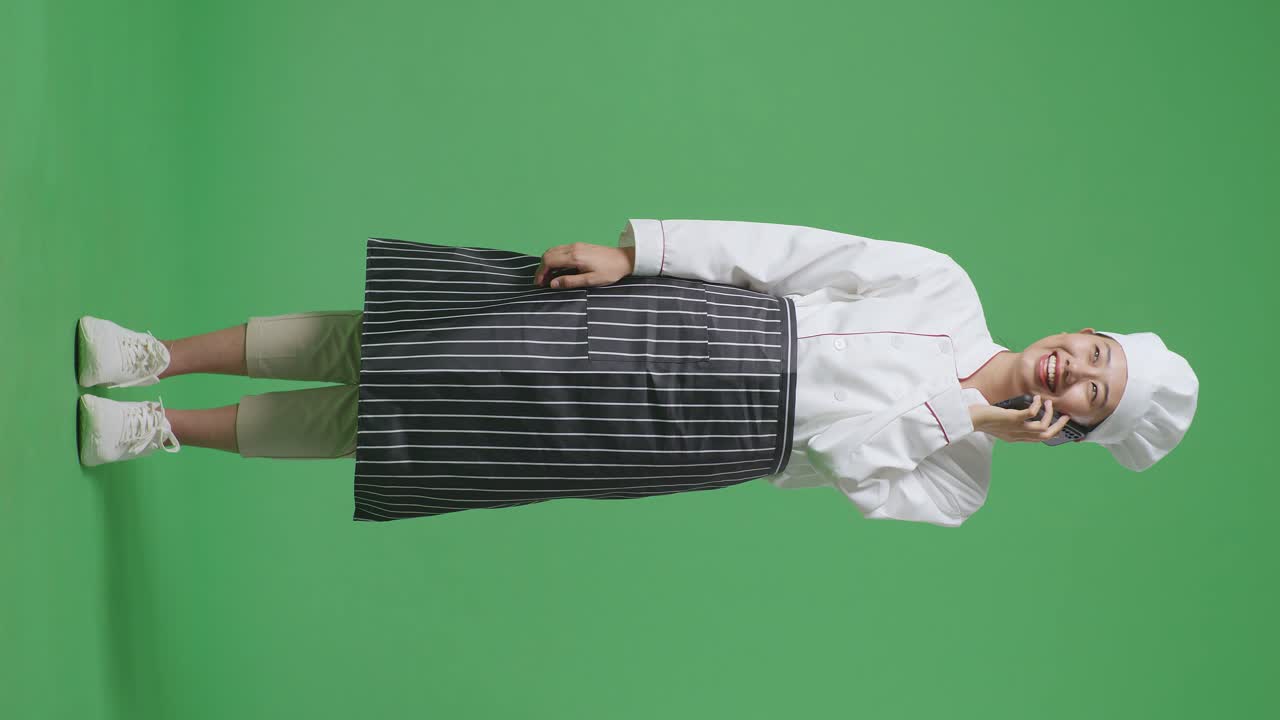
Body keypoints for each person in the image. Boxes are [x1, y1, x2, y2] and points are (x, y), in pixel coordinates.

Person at [75, 218, 1199, 527]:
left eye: (1090, 394)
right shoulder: (943, 287)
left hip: (678, 441)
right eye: (1093, 352)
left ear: (1075, 429)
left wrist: (959, 413)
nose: (1072, 369)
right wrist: (641, 254)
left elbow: (833, 455)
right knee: (400, 335)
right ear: (1081, 332)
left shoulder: (954, 484)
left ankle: (163, 432)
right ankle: (153, 356)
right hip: (682, 329)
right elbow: (790, 254)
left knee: (407, 429)